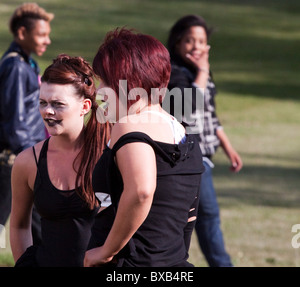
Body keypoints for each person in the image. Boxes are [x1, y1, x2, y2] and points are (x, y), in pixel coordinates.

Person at [84, 28, 204, 267]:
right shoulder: (184, 133)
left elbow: (141, 191)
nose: (98, 91)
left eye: (105, 81)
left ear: (130, 83)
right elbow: (190, 214)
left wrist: (105, 252)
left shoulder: (129, 128)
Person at [9, 54, 110, 267]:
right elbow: (18, 225)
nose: (48, 111)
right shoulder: (28, 161)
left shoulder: (108, 156)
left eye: (58, 104)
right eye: (43, 103)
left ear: (84, 107)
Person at [167, 14, 243, 267]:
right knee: (206, 217)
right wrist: (202, 71)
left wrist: (228, 147)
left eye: (201, 41)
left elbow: (209, 114)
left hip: (205, 156)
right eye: (189, 40)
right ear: (177, 43)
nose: (196, 46)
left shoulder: (199, 72)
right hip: (187, 156)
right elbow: (187, 107)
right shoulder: (175, 73)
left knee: (203, 217)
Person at [0, 3, 54, 243]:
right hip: (15, 159)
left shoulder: (25, 64)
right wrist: (34, 156)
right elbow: (15, 124)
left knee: (36, 224)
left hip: (25, 155)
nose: (47, 40)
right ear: (22, 33)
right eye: (42, 34)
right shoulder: (16, 67)